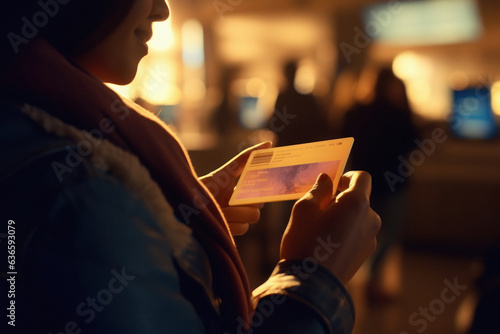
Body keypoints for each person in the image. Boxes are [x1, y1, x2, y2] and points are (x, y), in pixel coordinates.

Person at [0, 1, 380, 333]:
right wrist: (315, 278)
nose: (161, 10)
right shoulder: (82, 194)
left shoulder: (32, 121)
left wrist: (164, 219)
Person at [341, 66, 418, 304]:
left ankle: (343, 280)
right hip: (393, 183)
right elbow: (414, 142)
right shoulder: (398, 113)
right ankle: (372, 280)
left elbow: (343, 143)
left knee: (356, 234)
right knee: (390, 234)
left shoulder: (354, 112)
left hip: (362, 182)